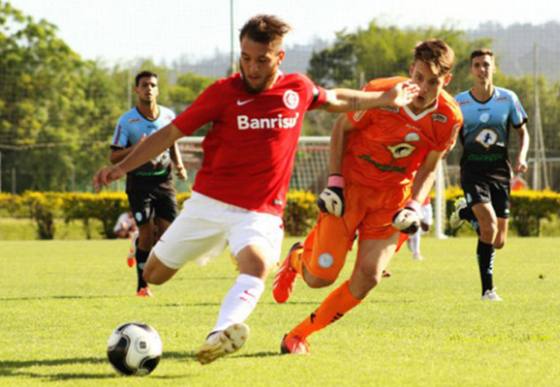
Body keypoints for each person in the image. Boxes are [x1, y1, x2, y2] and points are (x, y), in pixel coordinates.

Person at [93, 15, 419, 365]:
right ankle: (173, 256)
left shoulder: (297, 89)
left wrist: (385, 98)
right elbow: (170, 133)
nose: (251, 67)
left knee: (259, 264)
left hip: (260, 211)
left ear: (279, 58)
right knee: (154, 273)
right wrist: (121, 167)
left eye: (261, 59)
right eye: (245, 58)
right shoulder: (222, 92)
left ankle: (221, 333)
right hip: (209, 204)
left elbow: (336, 98)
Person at [272, 39, 463, 355]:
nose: (424, 87)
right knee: (320, 277)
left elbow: (431, 166)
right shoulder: (382, 92)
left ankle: (298, 335)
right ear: (410, 71)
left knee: (369, 277)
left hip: (392, 200)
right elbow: (340, 129)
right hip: (351, 190)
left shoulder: (449, 117)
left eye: (433, 82)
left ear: (447, 81)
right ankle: (296, 257)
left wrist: (415, 205)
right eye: (418, 77)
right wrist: (334, 183)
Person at [449, 49, 529, 301]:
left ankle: (465, 213)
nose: (482, 69)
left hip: (500, 172)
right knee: (489, 226)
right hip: (472, 171)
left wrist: (521, 156)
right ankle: (488, 291)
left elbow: (522, 132)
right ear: (471, 70)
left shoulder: (508, 98)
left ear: (494, 67)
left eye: (486, 64)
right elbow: (449, 133)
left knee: (498, 240)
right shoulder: (459, 102)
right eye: (477, 65)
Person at [110, 70, 188, 297]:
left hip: (164, 181)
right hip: (139, 183)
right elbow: (113, 157)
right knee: (146, 233)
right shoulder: (127, 121)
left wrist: (179, 164)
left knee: (168, 234)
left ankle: (138, 248)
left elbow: (172, 142)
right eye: (144, 85)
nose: (149, 89)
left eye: (153, 85)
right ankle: (142, 287)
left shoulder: (168, 116)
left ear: (158, 89)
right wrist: (138, 148)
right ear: (137, 90)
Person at [407, 196, 433, 261]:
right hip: (415, 203)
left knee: (426, 228)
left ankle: (409, 236)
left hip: (426, 203)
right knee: (417, 228)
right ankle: (416, 254)